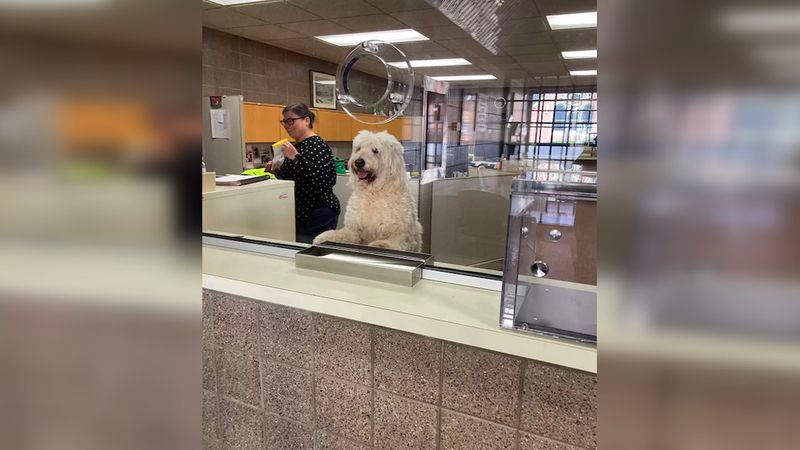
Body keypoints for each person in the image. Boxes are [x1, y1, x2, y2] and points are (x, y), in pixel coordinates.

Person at [268, 103, 340, 243]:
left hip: (318, 213)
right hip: (302, 213)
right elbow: (296, 177)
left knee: (314, 257)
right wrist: (276, 171)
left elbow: (323, 179)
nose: (287, 125)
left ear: (306, 120)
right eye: (284, 122)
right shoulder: (297, 146)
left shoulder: (316, 145)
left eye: (291, 120)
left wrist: (295, 158)